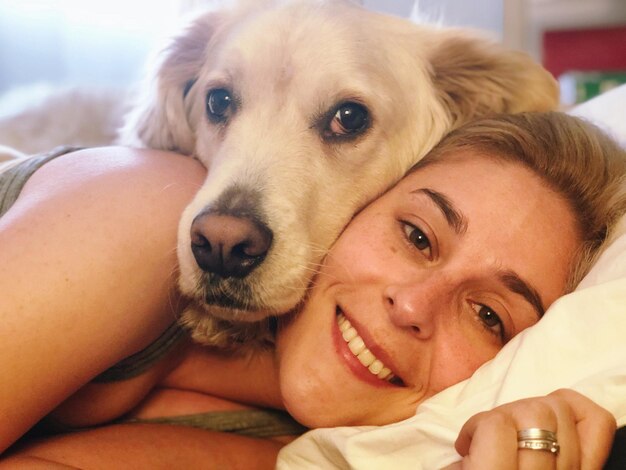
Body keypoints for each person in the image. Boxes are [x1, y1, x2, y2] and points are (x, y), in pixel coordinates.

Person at [0, 112, 624, 468]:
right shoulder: (152, 215)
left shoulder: (286, 452)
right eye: (415, 234)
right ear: (360, 202)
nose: (412, 305)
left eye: (488, 315)